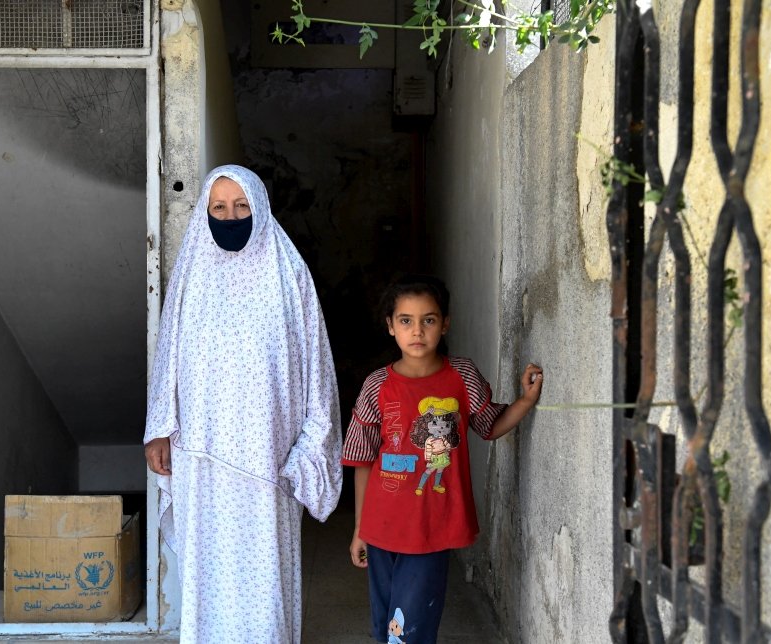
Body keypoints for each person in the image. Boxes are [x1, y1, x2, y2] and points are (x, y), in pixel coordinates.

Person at [143, 165, 342, 643]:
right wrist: (159, 427)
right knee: (208, 575)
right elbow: (168, 354)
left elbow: (318, 369)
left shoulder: (289, 274)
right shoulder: (192, 273)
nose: (230, 217)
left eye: (241, 207)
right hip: (201, 458)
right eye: (218, 208)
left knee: (264, 578)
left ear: (260, 208)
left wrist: (310, 449)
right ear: (204, 214)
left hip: (268, 462)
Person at [343, 274, 543, 644]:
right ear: (391, 326)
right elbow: (362, 459)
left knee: (411, 629)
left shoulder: (461, 377)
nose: (417, 330)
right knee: (385, 624)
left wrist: (524, 402)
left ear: (445, 323)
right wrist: (360, 528)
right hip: (381, 524)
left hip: (431, 527)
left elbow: (489, 425)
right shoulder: (377, 386)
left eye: (429, 320)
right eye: (406, 320)